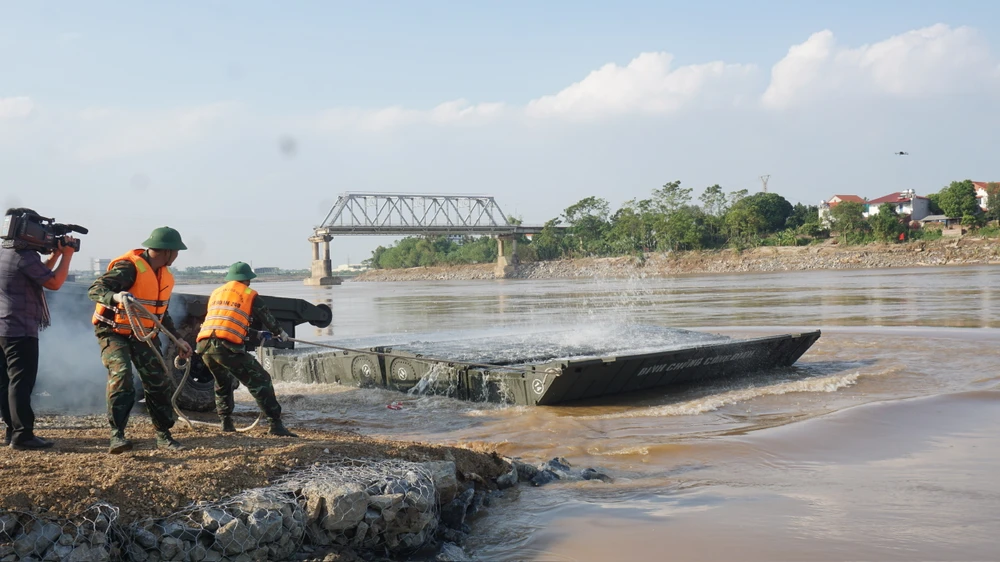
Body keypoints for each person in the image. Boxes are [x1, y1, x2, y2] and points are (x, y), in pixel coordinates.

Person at [88, 226, 193, 454]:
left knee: (158, 380)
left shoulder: (163, 275)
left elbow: (160, 314)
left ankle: (163, 435)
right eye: (176, 252)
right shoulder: (128, 268)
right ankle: (117, 435)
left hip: (142, 335)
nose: (177, 256)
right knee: (121, 375)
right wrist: (115, 296)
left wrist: (178, 340)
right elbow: (96, 288)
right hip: (113, 331)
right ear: (167, 251)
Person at [0, 208, 76, 450]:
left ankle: (11, 431)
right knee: (20, 383)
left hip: (3, 327)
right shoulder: (24, 256)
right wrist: (67, 255)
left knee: (5, 382)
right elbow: (54, 282)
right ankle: (23, 436)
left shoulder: (6, 253)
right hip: (19, 330)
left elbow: (39, 273)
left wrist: (54, 256)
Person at [195, 261, 298, 437]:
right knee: (261, 381)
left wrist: (255, 333)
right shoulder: (249, 294)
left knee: (222, 383)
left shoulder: (217, 293)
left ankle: (226, 424)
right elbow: (266, 316)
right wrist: (280, 332)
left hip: (204, 346)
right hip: (226, 347)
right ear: (247, 280)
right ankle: (275, 425)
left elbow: (224, 321)